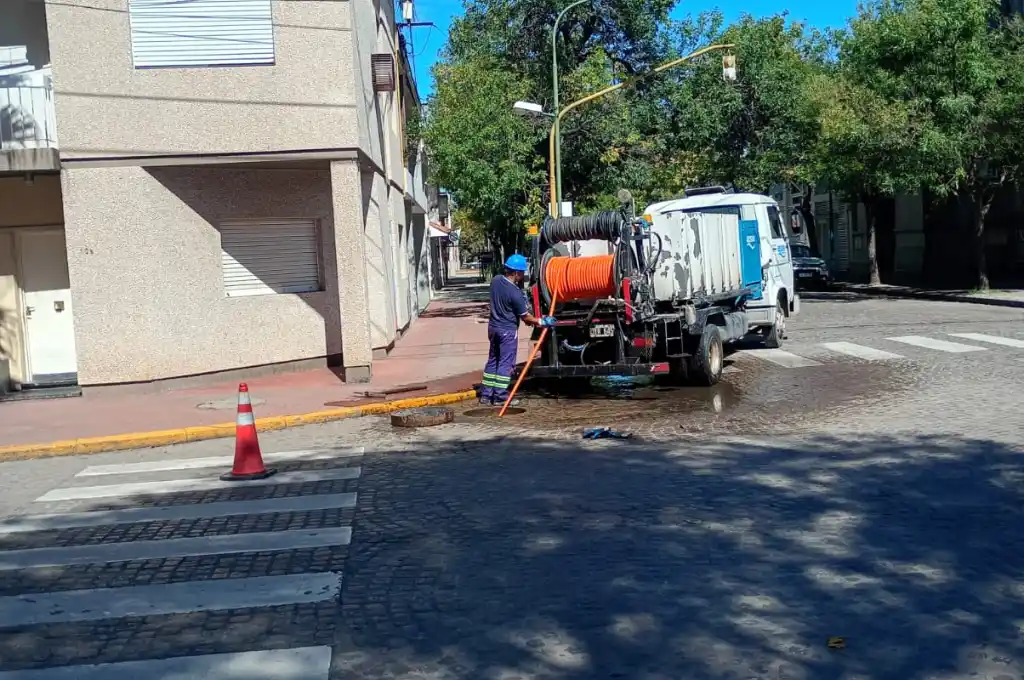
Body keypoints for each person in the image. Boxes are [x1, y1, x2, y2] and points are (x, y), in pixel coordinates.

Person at [480, 254, 555, 406]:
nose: (522, 276)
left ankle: (486, 395)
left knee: (493, 360)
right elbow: (526, 318)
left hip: (493, 328)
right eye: (521, 273)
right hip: (507, 331)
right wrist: (542, 321)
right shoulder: (515, 293)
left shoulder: (495, 281)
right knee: (505, 364)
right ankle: (500, 397)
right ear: (515, 273)